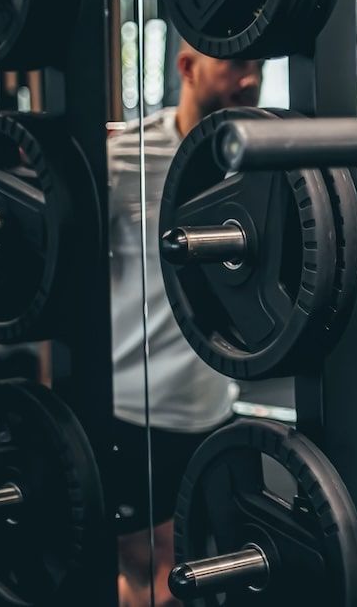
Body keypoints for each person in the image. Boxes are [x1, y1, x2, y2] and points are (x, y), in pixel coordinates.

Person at [108, 43, 262, 607]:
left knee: (219, 573)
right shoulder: (124, 157)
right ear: (187, 68)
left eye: (256, 66)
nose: (249, 80)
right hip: (134, 415)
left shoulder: (255, 156)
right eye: (234, 66)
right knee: (150, 578)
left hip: (214, 409)